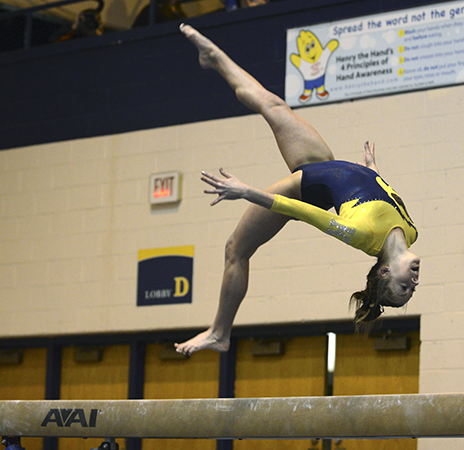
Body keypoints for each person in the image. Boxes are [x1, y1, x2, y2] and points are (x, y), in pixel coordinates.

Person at [175, 24, 420, 356]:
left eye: (403, 287)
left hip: (303, 189)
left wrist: (246, 190)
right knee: (273, 105)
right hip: (325, 165)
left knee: (236, 249)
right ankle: (215, 58)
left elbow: (299, 211)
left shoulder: (361, 235)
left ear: (385, 271)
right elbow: (385, 196)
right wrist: (373, 168)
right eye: (411, 289)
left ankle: (219, 333)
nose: (414, 282)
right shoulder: (411, 231)